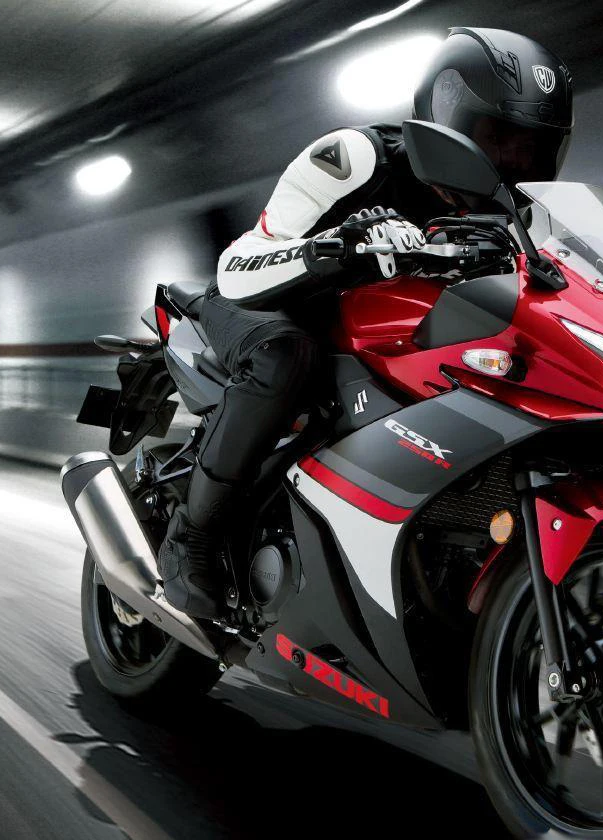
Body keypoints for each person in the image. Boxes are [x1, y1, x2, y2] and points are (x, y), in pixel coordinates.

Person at [158, 27, 575, 619]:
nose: (513, 162)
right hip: (263, 304)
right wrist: (333, 248)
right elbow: (239, 265)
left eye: (530, 149)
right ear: (448, 117)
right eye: (498, 139)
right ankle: (190, 539)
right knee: (285, 356)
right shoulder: (357, 158)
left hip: (368, 331)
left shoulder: (517, 215)